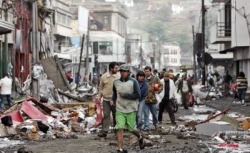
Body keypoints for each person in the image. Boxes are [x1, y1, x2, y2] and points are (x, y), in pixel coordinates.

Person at [111, 64, 144, 153]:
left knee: (131, 129)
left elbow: (138, 95)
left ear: (129, 72)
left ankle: (140, 136)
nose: (122, 73)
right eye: (121, 71)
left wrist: (126, 95)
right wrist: (112, 100)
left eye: (124, 71)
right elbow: (115, 93)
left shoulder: (134, 82)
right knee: (120, 128)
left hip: (131, 109)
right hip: (119, 108)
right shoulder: (116, 82)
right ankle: (120, 149)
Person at [98, 62, 120, 137]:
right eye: (116, 68)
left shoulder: (119, 76)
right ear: (111, 69)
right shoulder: (104, 76)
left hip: (115, 100)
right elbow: (101, 87)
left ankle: (117, 131)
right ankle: (104, 131)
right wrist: (99, 97)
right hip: (106, 100)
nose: (117, 69)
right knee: (106, 115)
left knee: (115, 115)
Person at [144, 66, 161, 131]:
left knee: (154, 113)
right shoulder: (143, 78)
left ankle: (156, 124)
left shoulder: (155, 78)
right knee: (146, 113)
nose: (146, 73)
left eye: (147, 71)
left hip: (153, 99)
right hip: (145, 99)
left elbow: (160, 86)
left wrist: (158, 90)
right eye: (145, 71)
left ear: (150, 71)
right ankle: (147, 126)